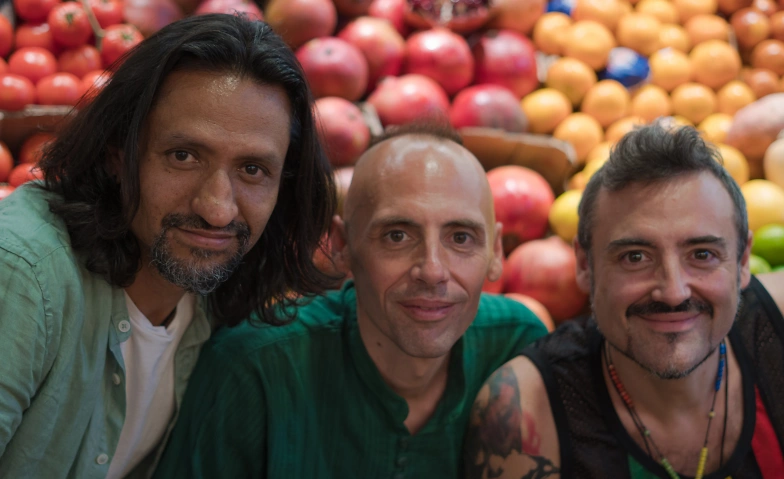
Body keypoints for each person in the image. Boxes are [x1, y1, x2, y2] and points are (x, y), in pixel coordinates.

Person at [0, 14, 335, 479]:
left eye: (252, 170)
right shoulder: (22, 276)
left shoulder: (218, 297)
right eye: (184, 156)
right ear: (118, 155)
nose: (217, 209)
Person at [153, 123, 550, 478]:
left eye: (461, 238)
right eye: (397, 236)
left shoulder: (516, 349)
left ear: (496, 252)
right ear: (342, 246)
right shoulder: (253, 371)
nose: (432, 271)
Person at [464, 122, 784, 479]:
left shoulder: (776, 328)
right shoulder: (526, 412)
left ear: (743, 261)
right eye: (635, 257)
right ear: (585, 265)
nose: (674, 292)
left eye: (702, 254)